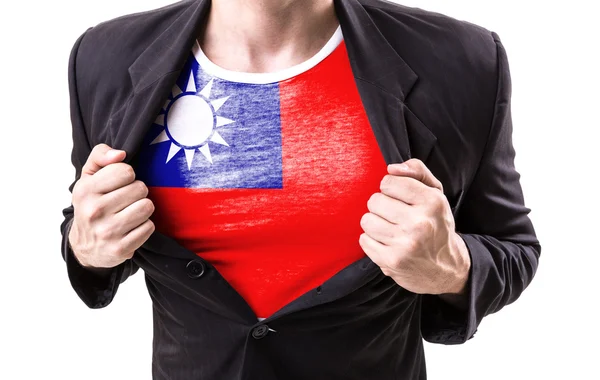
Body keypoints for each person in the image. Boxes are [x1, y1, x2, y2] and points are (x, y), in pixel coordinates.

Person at [60, 0, 541, 378]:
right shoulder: (103, 58)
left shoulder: (461, 61)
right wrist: (86, 246)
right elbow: (87, 225)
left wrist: (450, 267)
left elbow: (513, 246)